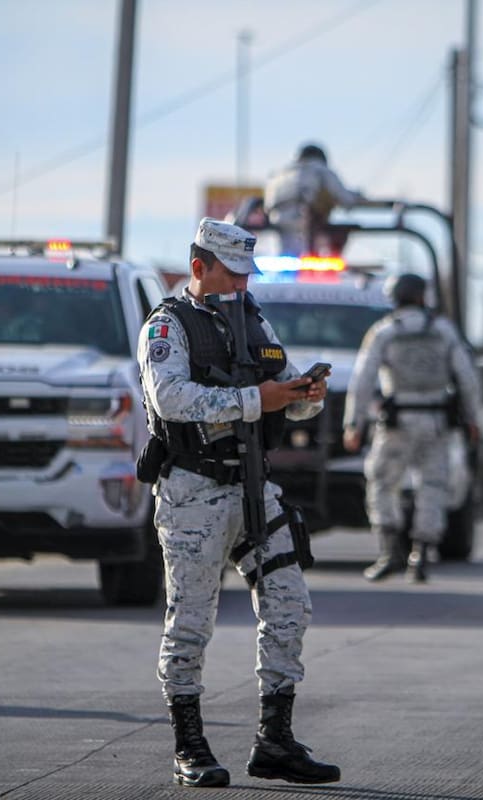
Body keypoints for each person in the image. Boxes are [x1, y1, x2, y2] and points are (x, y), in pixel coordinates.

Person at [137, 217, 342, 788]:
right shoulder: (166, 325)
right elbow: (171, 397)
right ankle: (189, 746)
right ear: (199, 268)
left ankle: (275, 740)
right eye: (232, 273)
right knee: (192, 621)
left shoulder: (251, 318)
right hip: (193, 493)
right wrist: (258, 399)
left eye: (247, 274)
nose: (242, 285)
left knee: (288, 605)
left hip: (253, 485)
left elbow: (288, 388)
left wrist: (305, 396)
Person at [341, 272, 481, 583]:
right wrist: (472, 419)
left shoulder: (385, 332)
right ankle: (420, 554)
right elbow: (468, 379)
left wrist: (354, 423)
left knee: (380, 481)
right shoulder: (443, 331)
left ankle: (390, 551)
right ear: (421, 296)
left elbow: (362, 380)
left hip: (397, 423)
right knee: (433, 485)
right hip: (436, 423)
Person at [263, 142, 365, 256]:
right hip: (304, 222)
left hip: (277, 224)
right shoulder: (319, 169)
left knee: (289, 257)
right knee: (340, 231)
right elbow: (346, 199)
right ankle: (329, 259)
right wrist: (359, 197)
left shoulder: (277, 175)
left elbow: (267, 206)